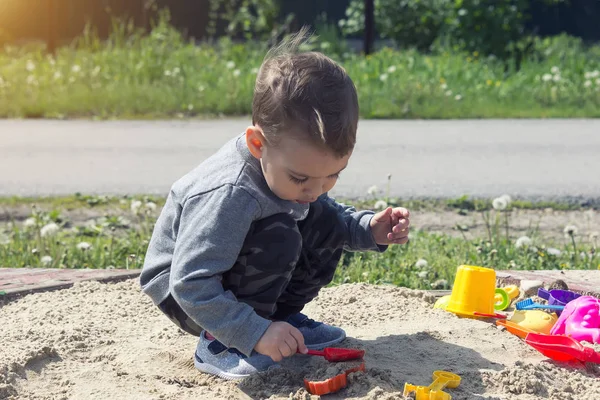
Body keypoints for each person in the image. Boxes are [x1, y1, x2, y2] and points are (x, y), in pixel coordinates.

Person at [139, 27, 411, 380]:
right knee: (279, 235)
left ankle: (276, 319)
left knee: (323, 218)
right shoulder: (232, 193)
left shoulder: (289, 171)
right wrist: (252, 333)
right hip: (189, 295)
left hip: (219, 276)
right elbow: (190, 283)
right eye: (302, 179)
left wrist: (368, 229)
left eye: (333, 175)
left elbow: (320, 207)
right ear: (257, 144)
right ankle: (221, 344)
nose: (316, 189)